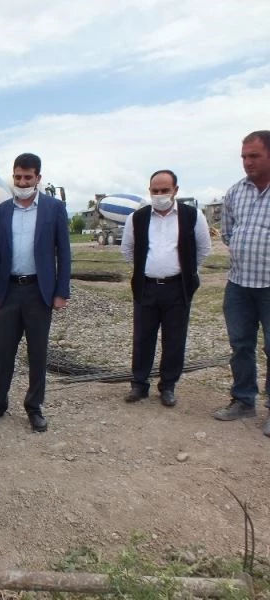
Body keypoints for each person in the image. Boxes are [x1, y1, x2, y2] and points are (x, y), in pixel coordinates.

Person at [0, 153, 71, 431]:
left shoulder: (53, 209)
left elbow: (64, 252)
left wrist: (61, 291)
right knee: (3, 351)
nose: (22, 182)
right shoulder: (1, 211)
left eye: (27, 177)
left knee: (37, 352)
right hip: (8, 292)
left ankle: (34, 406)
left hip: (39, 292)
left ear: (38, 178)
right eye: (18, 177)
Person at [121, 170, 212, 407]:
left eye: (165, 190)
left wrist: (188, 271)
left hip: (177, 288)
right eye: (155, 191)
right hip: (146, 287)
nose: (159, 195)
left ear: (175, 190)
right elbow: (128, 250)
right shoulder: (136, 218)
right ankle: (139, 384)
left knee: (174, 339)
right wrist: (146, 269)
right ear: (149, 191)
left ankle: (168, 386)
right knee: (142, 338)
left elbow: (203, 248)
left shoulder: (193, 216)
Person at [214, 130, 270, 436]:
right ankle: (244, 400)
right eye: (244, 156)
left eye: (254, 156)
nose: (247, 162)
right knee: (241, 344)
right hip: (239, 283)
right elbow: (227, 233)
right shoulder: (235, 192)